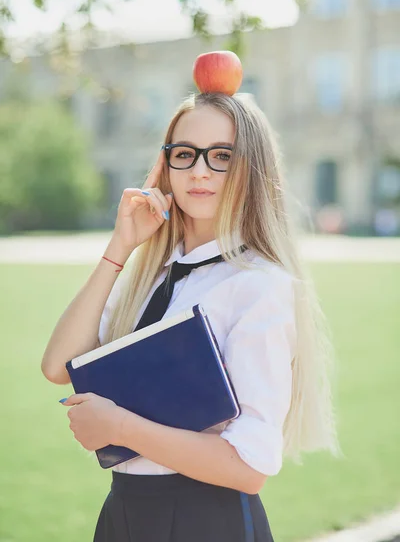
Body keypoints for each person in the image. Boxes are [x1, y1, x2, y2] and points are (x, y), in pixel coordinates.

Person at [41, 90, 342, 542]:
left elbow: (250, 466)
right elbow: (57, 366)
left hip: (206, 519)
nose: (200, 171)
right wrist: (120, 248)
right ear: (165, 166)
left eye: (221, 155)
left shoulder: (259, 284)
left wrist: (120, 426)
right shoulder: (151, 275)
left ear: (250, 168)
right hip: (123, 511)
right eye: (185, 154)